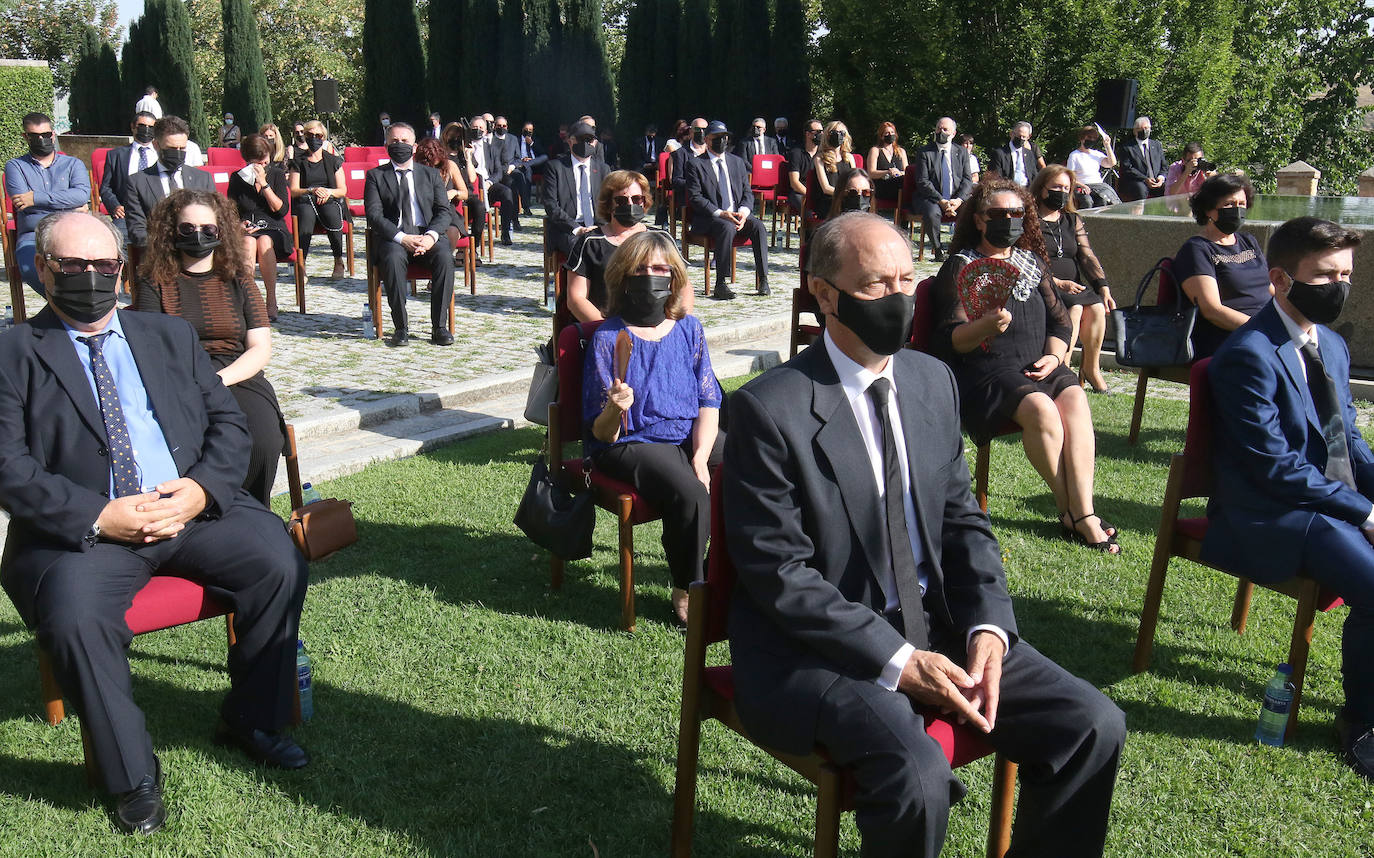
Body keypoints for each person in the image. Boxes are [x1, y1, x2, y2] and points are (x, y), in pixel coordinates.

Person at [722, 210, 1126, 858]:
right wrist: (901, 661)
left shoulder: (930, 380)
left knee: (1091, 724)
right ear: (826, 295)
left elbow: (962, 518)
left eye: (908, 279)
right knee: (916, 774)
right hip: (815, 650)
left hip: (935, 625)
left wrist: (990, 627)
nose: (900, 298)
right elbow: (781, 576)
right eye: (878, 284)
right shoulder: (768, 411)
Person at [0, 211, 309, 836]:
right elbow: (7, 464)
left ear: (122, 271)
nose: (91, 278)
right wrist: (99, 514)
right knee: (76, 614)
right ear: (44, 270)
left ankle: (250, 718)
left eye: (103, 266)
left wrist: (199, 492)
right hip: (87, 531)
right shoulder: (11, 351)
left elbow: (229, 424)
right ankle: (132, 775)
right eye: (74, 267)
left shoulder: (166, 336)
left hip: (185, 508)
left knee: (276, 556)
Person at [1203, 216, 1372, 783]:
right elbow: (1276, 469)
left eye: (1346, 274)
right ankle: (1362, 722)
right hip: (1271, 513)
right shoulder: (1248, 354)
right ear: (1279, 279)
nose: (1340, 287)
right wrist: (1364, 512)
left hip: (1324, 501)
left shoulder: (1330, 344)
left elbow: (1347, 437)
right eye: (1325, 276)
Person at [933, 179, 1119, 553]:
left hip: (1040, 362)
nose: (1008, 220)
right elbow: (950, 340)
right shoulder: (961, 265)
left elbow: (1061, 322)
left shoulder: (1031, 261)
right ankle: (1076, 514)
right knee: (1042, 410)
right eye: (998, 214)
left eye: (1016, 213)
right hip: (987, 370)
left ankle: (1081, 510)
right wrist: (984, 326)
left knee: (1076, 402)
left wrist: (1054, 355)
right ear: (980, 220)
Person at [582, 229, 723, 627]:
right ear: (623, 276)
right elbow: (602, 433)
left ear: (673, 277)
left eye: (660, 267)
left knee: (754, 462)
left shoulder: (689, 328)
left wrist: (700, 455)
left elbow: (708, 399)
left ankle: (722, 568)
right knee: (692, 494)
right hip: (631, 440)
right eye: (641, 268)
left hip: (686, 433)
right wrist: (615, 406)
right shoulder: (609, 338)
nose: (651, 275)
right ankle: (687, 586)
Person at [133, 188, 285, 505]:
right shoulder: (153, 279)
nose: (198, 235)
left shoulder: (239, 278)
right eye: (187, 229)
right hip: (176, 376)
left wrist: (216, 381)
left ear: (220, 231)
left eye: (207, 229)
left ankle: (252, 511)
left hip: (234, 373)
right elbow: (147, 345)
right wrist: (189, 384)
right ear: (171, 231)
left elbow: (259, 346)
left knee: (262, 439)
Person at [363, 121, 455, 347]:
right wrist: (402, 238)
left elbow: (444, 211)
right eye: (394, 141)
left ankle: (439, 327)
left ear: (414, 146)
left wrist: (431, 236)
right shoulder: (376, 176)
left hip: (426, 235)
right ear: (386, 145)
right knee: (393, 259)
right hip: (395, 238)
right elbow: (374, 216)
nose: (399, 145)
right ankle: (401, 328)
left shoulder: (431, 175)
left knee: (445, 257)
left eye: (404, 141)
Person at [1030, 165, 1116, 393]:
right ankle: (1063, 366)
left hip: (1073, 286)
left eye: (1066, 188)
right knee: (1076, 308)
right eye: (1056, 187)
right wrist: (1056, 282)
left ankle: (1091, 368)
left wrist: (1103, 286)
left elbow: (1086, 256)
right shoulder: (1029, 219)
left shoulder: (1071, 220)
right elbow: (1026, 258)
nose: (1061, 192)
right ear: (1042, 188)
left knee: (1096, 306)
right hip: (1043, 284)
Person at [1172, 173, 1269, 359]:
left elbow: (1270, 288)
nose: (1237, 210)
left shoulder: (1248, 241)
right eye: (1229, 204)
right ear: (1209, 210)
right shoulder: (1197, 249)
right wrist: (1262, 329)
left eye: (1241, 204)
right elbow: (1212, 310)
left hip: (1262, 329)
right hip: (1228, 337)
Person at [4, 112, 92, 294]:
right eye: (35, 136)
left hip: (72, 233)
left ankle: (70, 313)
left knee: (87, 272)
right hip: (33, 236)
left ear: (53, 134)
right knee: (33, 271)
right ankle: (66, 311)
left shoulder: (72, 164)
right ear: (25, 137)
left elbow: (82, 195)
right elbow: (21, 200)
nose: (41, 140)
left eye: (45, 135)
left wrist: (35, 198)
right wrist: (70, 207)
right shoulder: (15, 166)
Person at [564, 170, 667, 322]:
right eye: (621, 200)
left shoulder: (662, 240)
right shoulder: (590, 243)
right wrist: (608, 333)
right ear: (608, 204)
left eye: (637, 199)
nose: (630, 204)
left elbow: (684, 290)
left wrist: (669, 328)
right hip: (603, 327)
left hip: (656, 329)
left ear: (644, 202)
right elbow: (576, 299)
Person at [685, 120, 771, 300]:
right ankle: (721, 283)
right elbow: (696, 198)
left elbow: (748, 192)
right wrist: (721, 213)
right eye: (717, 138)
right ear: (707, 140)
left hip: (737, 215)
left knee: (758, 227)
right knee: (726, 226)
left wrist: (743, 212)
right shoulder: (696, 165)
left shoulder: (737, 163)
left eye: (725, 137)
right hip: (710, 218)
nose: (722, 141)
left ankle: (763, 279)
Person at [125, 115, 215, 249]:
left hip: (200, 251)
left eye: (182, 148)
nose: (178, 153)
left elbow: (215, 219)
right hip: (159, 255)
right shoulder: (137, 182)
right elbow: (137, 230)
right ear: (156, 145)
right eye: (172, 149)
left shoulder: (202, 179)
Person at [227, 134, 290, 321]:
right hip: (248, 228)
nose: (261, 167)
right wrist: (238, 226)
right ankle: (251, 301)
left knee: (264, 241)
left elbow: (281, 210)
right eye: (257, 163)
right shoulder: (237, 179)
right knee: (247, 242)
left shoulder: (276, 175)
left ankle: (271, 300)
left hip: (274, 228)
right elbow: (231, 211)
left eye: (265, 162)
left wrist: (264, 184)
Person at [288, 120, 350, 281]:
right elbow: (293, 190)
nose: (314, 138)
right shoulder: (298, 161)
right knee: (306, 217)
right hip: (305, 199)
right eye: (309, 135)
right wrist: (312, 190)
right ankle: (301, 264)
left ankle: (338, 260)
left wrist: (327, 192)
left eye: (318, 135)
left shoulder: (334, 160)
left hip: (328, 199)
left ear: (323, 137)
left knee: (331, 214)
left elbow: (342, 190)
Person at [910, 117, 974, 261]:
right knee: (932, 212)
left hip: (956, 198)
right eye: (939, 128)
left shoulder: (962, 152)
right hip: (931, 198)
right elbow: (923, 181)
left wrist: (958, 200)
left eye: (945, 129)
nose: (941, 132)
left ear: (954, 133)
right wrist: (941, 201)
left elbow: (967, 180)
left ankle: (961, 249)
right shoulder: (925, 152)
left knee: (972, 209)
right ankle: (938, 250)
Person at [542, 120, 609, 257]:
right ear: (571, 141)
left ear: (595, 142)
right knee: (580, 247)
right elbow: (551, 206)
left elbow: (610, 203)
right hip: (568, 229)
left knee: (613, 248)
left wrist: (602, 227)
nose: (586, 144)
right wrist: (577, 229)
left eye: (589, 140)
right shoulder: (555, 168)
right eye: (581, 139)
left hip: (597, 226)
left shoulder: (603, 169)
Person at [99, 112, 160, 242]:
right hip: (126, 215)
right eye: (142, 126)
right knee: (118, 241)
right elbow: (106, 188)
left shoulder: (162, 156)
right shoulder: (115, 155)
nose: (146, 130)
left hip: (157, 215)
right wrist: (114, 206)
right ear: (133, 127)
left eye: (151, 127)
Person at [413, 136, 471, 257]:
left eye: (438, 165)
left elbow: (465, 193)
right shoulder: (415, 168)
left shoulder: (450, 166)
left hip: (447, 211)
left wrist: (454, 192)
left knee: (452, 231)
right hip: (423, 210)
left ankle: (445, 262)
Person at [468, 116, 517, 245]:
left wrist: (490, 182)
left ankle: (505, 232)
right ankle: (473, 241)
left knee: (507, 192)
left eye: (480, 128)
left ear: (485, 131)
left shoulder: (491, 148)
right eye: (475, 127)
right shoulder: (464, 146)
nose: (477, 130)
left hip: (488, 184)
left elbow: (498, 171)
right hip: (470, 186)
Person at [1065, 124, 1120, 207]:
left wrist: (1107, 146)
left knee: (1103, 199)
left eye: (1094, 138)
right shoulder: (1074, 155)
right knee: (1087, 201)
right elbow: (1070, 177)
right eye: (1089, 137)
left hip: (1098, 185)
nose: (1091, 140)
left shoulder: (1096, 154)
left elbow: (1112, 163)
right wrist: (1082, 186)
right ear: (1082, 138)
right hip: (1082, 186)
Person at [810, 120, 856, 216]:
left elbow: (854, 182)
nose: (838, 135)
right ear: (827, 135)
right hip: (828, 200)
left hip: (846, 199)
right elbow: (826, 188)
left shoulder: (849, 157)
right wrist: (845, 194)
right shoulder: (819, 158)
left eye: (842, 133)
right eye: (834, 133)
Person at [1116, 116, 1165, 202]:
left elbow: (1164, 166)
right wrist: (1145, 179)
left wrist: (1161, 178)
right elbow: (1127, 168)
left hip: (1156, 181)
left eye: (1146, 128)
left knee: (1169, 187)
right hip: (1137, 181)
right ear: (1135, 131)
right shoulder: (1127, 147)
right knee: (1141, 189)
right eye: (1140, 129)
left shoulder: (1157, 145)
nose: (1144, 131)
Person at [783, 118, 823, 217]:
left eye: (822, 131)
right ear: (808, 134)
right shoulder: (796, 153)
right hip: (799, 192)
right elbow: (794, 182)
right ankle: (807, 231)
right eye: (817, 132)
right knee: (808, 209)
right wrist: (810, 195)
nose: (820, 134)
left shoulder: (823, 154)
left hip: (818, 192)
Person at [986, 121, 1044, 187]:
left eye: (1024, 137)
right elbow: (995, 178)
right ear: (1011, 134)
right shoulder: (999, 154)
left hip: (1027, 191)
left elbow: (1034, 175)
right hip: (1008, 190)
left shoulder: (1029, 154)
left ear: (1028, 137)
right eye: (1018, 136)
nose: (1021, 139)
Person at [866, 121, 907, 203]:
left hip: (898, 184)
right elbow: (871, 173)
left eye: (892, 132)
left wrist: (898, 172)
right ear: (881, 136)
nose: (890, 135)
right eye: (887, 133)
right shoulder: (875, 150)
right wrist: (887, 172)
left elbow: (907, 171)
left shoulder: (901, 151)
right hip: (882, 186)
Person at [513, 121, 548, 216]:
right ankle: (526, 207)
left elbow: (542, 153)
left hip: (534, 164)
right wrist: (522, 160)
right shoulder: (516, 140)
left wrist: (532, 143)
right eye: (526, 130)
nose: (528, 132)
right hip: (521, 164)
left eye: (530, 130)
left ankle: (527, 164)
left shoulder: (536, 140)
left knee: (545, 157)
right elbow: (513, 155)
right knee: (527, 173)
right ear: (522, 130)